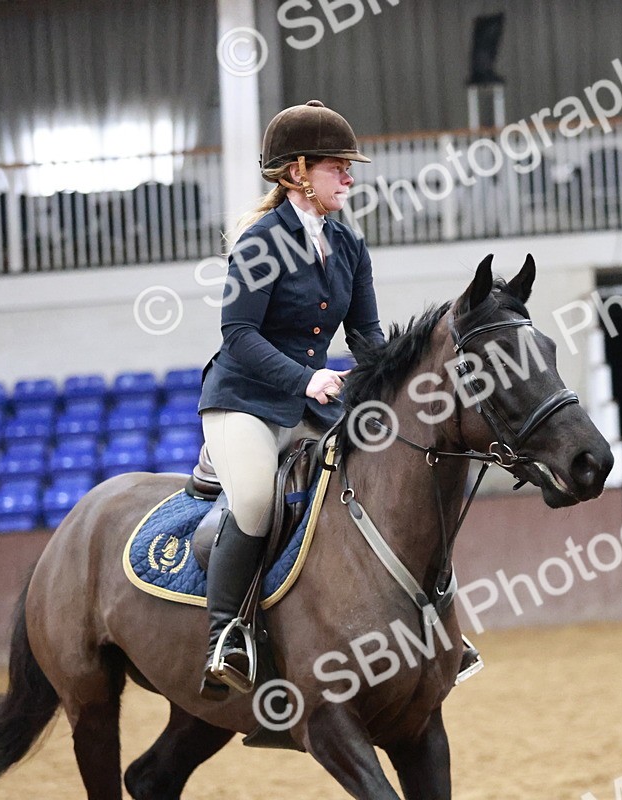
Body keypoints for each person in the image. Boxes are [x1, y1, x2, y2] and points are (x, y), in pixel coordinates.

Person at [195, 100, 384, 699]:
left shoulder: (349, 246)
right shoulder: (259, 244)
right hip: (243, 401)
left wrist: (393, 379)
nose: (350, 178)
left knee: (384, 480)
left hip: (313, 406)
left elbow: (366, 337)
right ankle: (224, 635)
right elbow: (238, 336)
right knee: (253, 500)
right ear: (298, 171)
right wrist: (306, 380)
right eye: (338, 167)